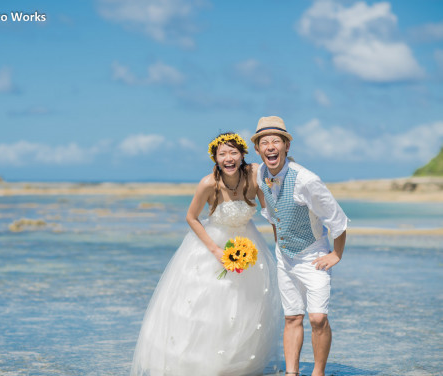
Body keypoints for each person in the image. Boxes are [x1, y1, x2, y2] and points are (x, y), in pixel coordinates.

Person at [131, 132, 281, 376]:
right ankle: (200, 364)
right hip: (212, 244)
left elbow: (270, 212)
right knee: (208, 307)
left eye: (233, 152)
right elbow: (191, 218)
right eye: (222, 154)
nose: (229, 158)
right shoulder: (208, 183)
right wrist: (215, 250)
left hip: (248, 243)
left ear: (243, 155)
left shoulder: (254, 176)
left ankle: (237, 364)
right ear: (215, 158)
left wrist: (281, 243)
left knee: (244, 306)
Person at [251, 116, 348, 376]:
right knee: (292, 317)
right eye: (264, 142)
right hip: (285, 257)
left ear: (286, 146)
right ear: (258, 149)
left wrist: (336, 254)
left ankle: (318, 372)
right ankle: (291, 373)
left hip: (314, 254)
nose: (270, 146)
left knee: (318, 318)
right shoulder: (259, 173)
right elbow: (271, 213)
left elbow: (337, 219)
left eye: (276, 141)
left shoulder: (306, 180)